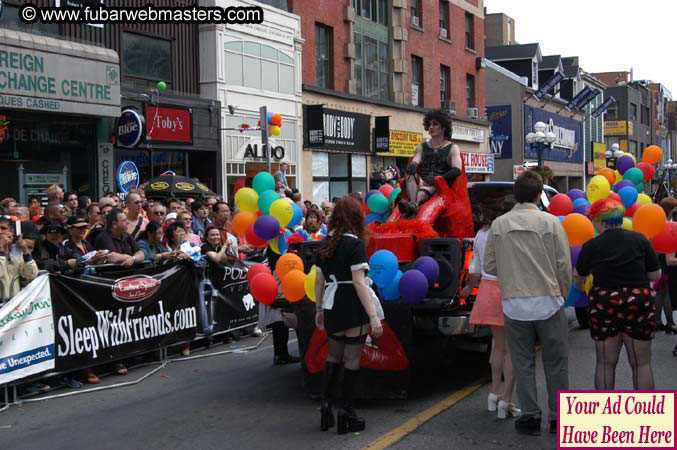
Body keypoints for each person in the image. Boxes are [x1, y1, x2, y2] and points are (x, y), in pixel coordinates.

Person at [484, 171, 571, 436]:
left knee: (523, 363)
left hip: (514, 304)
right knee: (556, 362)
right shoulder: (551, 222)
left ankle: (531, 416)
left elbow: (489, 265)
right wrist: (561, 295)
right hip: (548, 299)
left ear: (515, 195)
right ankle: (558, 417)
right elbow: (564, 265)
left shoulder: (499, 225)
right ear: (538, 195)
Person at [314, 196, 383, 434]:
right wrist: (373, 316)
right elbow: (359, 282)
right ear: (356, 218)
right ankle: (346, 412)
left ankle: (325, 407)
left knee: (333, 355)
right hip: (352, 304)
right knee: (352, 360)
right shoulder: (355, 245)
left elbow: (318, 280)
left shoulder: (325, 244)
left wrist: (319, 309)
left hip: (332, 303)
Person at [575, 198, 661, 390]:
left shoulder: (592, 245)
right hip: (638, 302)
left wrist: (583, 288)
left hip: (605, 302)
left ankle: (607, 414)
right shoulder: (640, 239)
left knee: (605, 363)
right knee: (642, 363)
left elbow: (578, 277)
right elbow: (655, 274)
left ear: (598, 220)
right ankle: (645, 416)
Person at [465, 204, 519, 419]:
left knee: (497, 346)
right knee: (511, 349)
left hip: (487, 289)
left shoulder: (480, 234)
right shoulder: (507, 232)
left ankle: (493, 394)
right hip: (507, 289)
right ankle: (506, 400)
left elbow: (475, 268)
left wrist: (468, 287)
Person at [398, 109, 463, 218]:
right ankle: (413, 203)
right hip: (422, 181)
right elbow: (416, 158)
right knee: (409, 175)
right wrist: (413, 165)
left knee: (425, 190)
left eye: (435, 124)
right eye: (430, 124)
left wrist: (440, 179)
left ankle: (413, 205)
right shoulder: (422, 146)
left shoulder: (452, 148)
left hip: (439, 187)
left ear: (443, 127)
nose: (431, 127)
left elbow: (457, 169)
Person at [0, 215, 38, 303]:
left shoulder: (15, 253)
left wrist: (25, 250)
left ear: (11, 233)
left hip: (13, 303)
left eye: (3, 228)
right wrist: (1, 249)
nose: (0, 232)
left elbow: (31, 274)